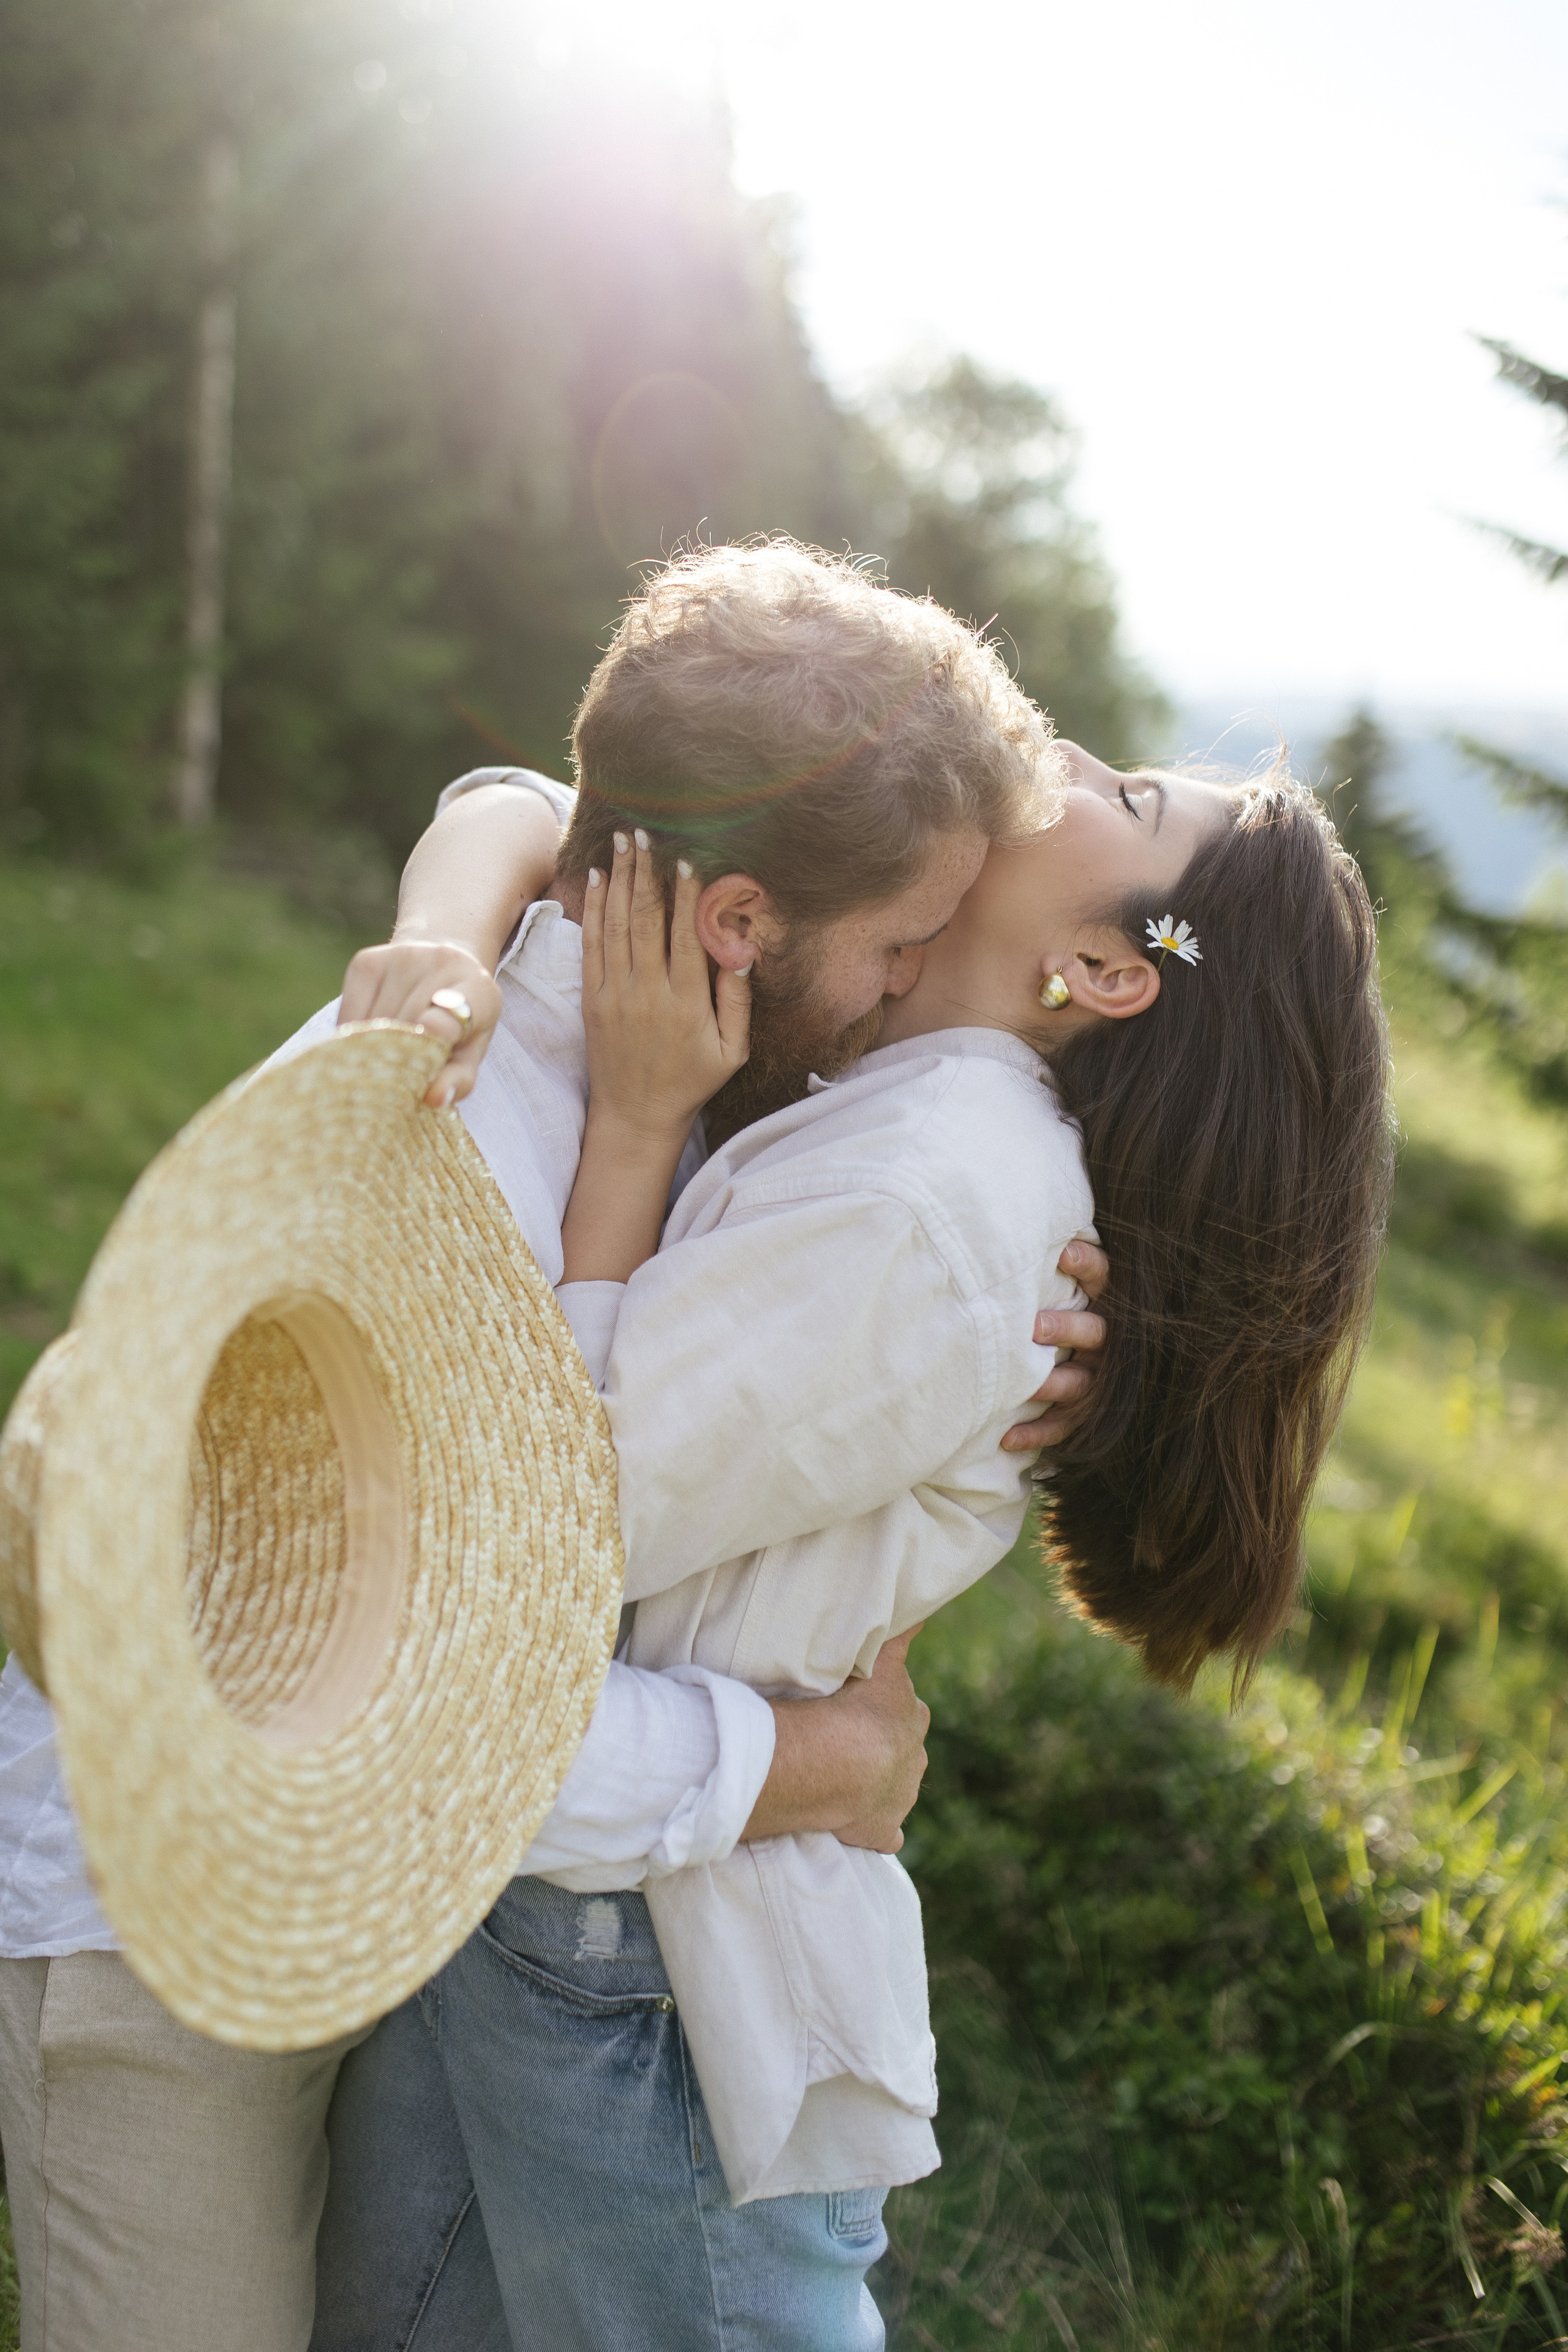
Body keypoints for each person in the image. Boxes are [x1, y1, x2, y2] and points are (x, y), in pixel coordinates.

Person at [0, 542, 1105, 2352]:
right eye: (906, 947)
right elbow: (432, 1731)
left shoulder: (659, 1029)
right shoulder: (444, 1155)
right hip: (153, 1911)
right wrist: (812, 1760)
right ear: (737, 920)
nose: (917, 998)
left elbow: (520, 795)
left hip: (374, 1923)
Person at [311, 562, 1392, 2350]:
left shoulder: (929, 1203)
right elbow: (566, 803)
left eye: (1129, 801)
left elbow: (559, 1507)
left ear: (1111, 971)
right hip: (553, 1906)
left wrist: (637, 1143)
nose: (1075, 756)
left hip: (660, 1983)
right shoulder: (878, 1099)